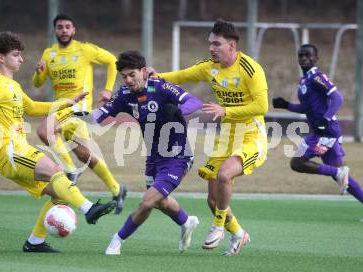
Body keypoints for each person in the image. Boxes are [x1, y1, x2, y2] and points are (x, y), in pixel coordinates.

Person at [0, 31, 117, 253]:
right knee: (58, 172)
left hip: (18, 149)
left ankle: (35, 242)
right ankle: (89, 209)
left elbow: (32, 107)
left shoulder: (13, 86)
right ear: (1, 58)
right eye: (16, 55)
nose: (21, 59)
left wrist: (66, 103)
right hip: (7, 150)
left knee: (61, 194)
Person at [149, 19, 268, 256]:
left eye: (217, 44)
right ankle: (238, 234)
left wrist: (227, 111)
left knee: (224, 175)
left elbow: (262, 106)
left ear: (232, 46)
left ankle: (217, 226)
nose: (211, 48)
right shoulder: (209, 67)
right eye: (210, 44)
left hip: (251, 135)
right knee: (213, 201)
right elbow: (182, 75)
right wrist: (157, 76)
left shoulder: (250, 69)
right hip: (226, 137)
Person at [90, 50, 202, 255]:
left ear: (143, 71)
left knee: (147, 201)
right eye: (124, 76)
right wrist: (74, 112)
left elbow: (195, 102)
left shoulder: (161, 87)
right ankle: (187, 222)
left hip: (178, 155)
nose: (128, 80)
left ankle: (117, 240)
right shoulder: (124, 94)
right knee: (159, 201)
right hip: (154, 157)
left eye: (132, 74)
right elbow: (101, 114)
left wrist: (178, 111)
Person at [32, 14, 127, 214]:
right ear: (55, 31)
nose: (64, 30)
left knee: (44, 130)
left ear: (73, 30)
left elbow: (112, 61)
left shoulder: (84, 49)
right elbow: (37, 83)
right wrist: (39, 72)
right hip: (61, 109)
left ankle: (70, 170)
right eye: (60, 27)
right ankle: (117, 190)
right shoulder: (49, 54)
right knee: (86, 155)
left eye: (68, 27)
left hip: (79, 109)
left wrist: (108, 89)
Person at [273, 44, 363, 203]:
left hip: (324, 132)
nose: (304, 58)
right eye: (301, 55)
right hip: (327, 132)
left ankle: (336, 172)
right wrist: (286, 105)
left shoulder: (316, 77)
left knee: (297, 162)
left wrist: (324, 120)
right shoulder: (304, 80)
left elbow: (338, 98)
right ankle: (338, 173)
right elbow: (307, 108)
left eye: (308, 55)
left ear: (316, 58)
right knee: (341, 176)